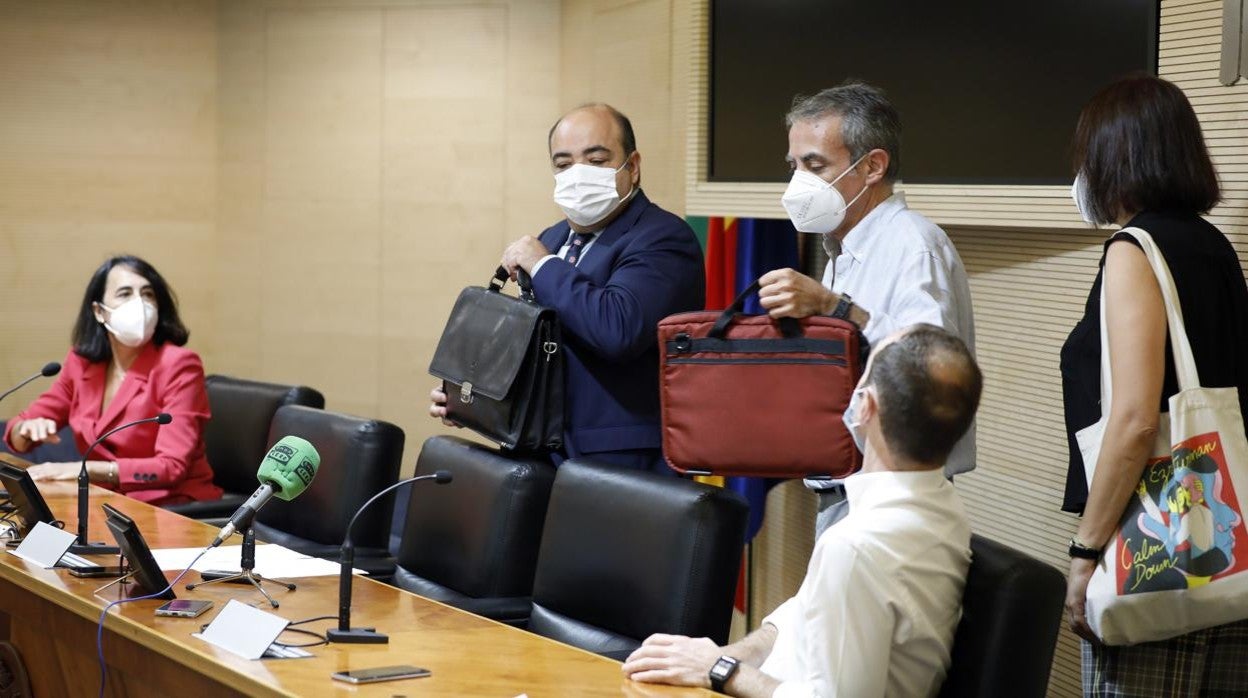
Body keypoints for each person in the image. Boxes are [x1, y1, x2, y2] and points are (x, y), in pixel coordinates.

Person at [622, 324, 980, 697]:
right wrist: (727, 656)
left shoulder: (855, 548)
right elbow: (804, 614)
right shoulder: (941, 505)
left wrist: (719, 670)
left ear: (867, 406)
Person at [1060, 75, 1248, 695]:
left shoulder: (1134, 250)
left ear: (1115, 158)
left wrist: (1084, 554)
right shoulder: (1214, 245)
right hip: (1228, 545)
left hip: (1158, 547)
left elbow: (1138, 417)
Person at [430, 103, 705, 474]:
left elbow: (617, 329)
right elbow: (538, 351)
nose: (578, 174)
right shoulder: (553, 237)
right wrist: (475, 399)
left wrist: (543, 266)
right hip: (540, 456)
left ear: (633, 166)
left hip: (620, 464)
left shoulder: (663, 238)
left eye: (596, 159)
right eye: (563, 164)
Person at [756, 81, 976, 532]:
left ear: (873, 166)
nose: (799, 182)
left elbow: (933, 371)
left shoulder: (913, 244)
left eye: (815, 165)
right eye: (794, 165)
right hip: (846, 490)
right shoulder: (843, 247)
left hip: (895, 497)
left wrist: (838, 308)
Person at [3, 256, 222, 507]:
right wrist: (26, 429)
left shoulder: (179, 365)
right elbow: (19, 431)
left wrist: (84, 469)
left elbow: (171, 467)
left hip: (172, 506)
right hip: (105, 501)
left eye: (148, 294)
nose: (139, 304)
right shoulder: (83, 362)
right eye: (125, 293)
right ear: (98, 311)